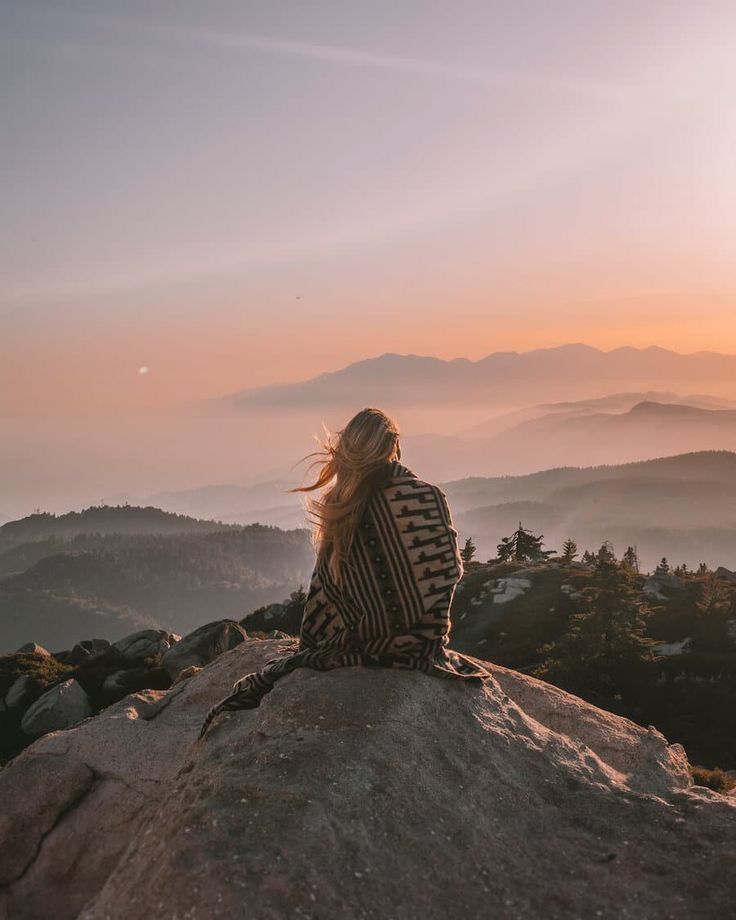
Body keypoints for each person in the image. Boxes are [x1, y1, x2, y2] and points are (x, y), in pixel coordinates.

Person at [199, 406, 493, 738]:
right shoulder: (429, 498)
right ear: (393, 447)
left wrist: (312, 645)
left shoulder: (343, 509)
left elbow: (325, 594)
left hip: (362, 646)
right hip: (425, 646)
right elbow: (448, 571)